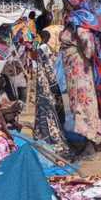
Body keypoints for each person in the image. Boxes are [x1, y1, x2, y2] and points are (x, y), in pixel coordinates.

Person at [60, 0, 101, 160]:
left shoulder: (79, 18)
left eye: (67, 1)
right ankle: (92, 142)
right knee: (87, 103)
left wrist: (84, 56)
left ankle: (90, 148)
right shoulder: (89, 17)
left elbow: (87, 41)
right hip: (80, 68)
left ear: (75, 1)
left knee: (83, 104)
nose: (65, 5)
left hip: (80, 70)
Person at [33, 30, 72, 159]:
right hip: (47, 83)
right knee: (52, 108)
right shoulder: (43, 48)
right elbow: (47, 64)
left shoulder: (39, 48)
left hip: (44, 83)